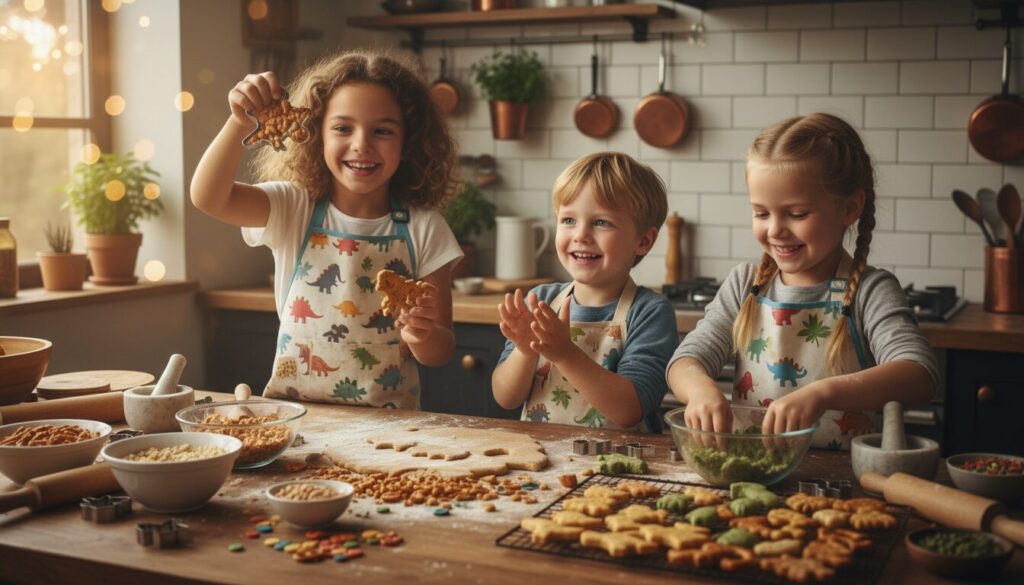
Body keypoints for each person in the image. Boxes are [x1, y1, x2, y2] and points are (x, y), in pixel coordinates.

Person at [191, 49, 462, 409]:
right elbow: (208, 198)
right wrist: (239, 123)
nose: (361, 144)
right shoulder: (294, 208)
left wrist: (422, 335)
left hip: (391, 429)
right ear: (317, 134)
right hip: (299, 419)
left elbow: (441, 350)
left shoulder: (426, 227)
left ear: (407, 141)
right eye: (342, 128)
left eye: (382, 130)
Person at [667, 113, 940, 449]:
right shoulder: (744, 284)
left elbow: (919, 374)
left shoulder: (872, 291)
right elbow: (685, 361)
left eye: (797, 214)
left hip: (845, 484)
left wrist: (823, 393)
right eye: (761, 213)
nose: (775, 230)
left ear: (850, 208)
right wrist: (700, 390)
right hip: (753, 471)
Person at [491, 152, 677, 432]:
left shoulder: (649, 313)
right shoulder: (540, 301)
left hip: (621, 467)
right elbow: (505, 398)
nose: (580, 235)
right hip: (545, 462)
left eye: (601, 222)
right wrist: (525, 351)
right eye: (568, 220)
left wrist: (565, 353)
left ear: (644, 240)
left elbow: (629, 409)